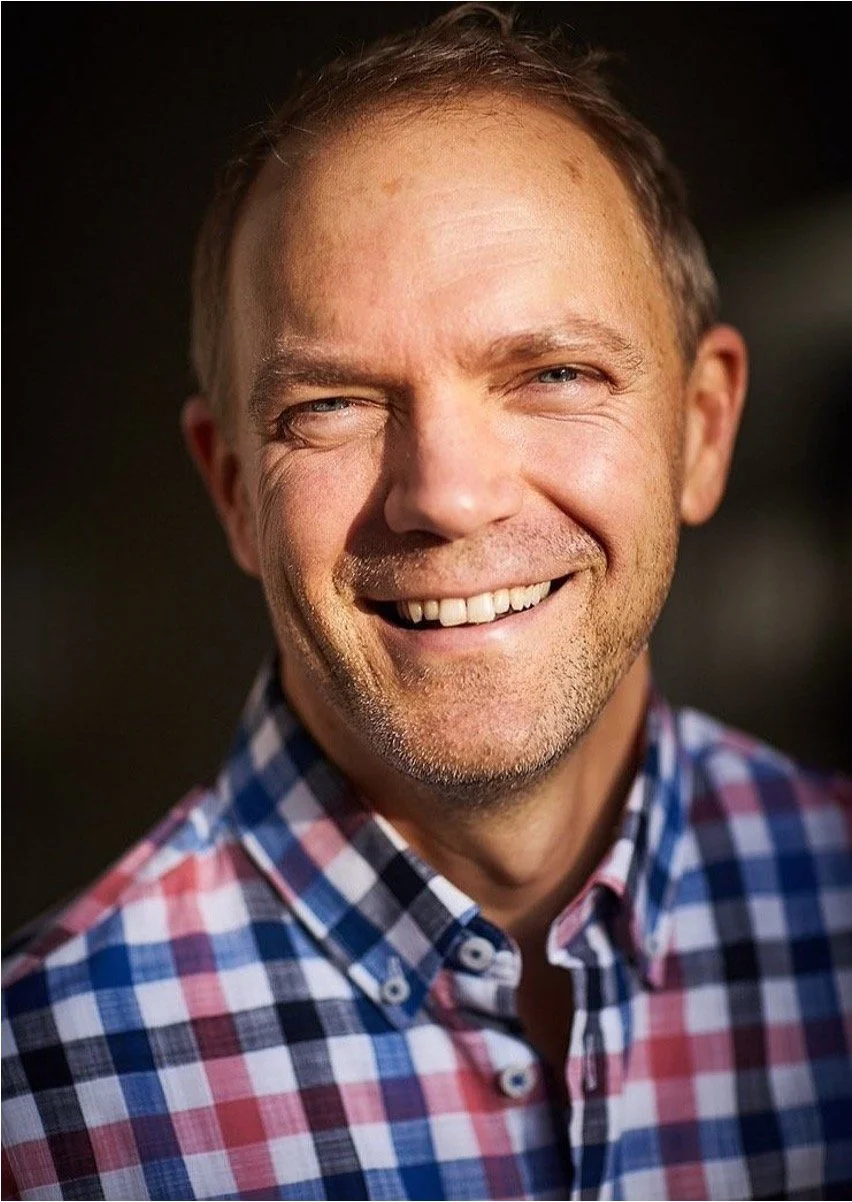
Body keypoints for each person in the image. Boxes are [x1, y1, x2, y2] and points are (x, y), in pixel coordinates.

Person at [3, 5, 850, 1199]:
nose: (446, 496)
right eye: (333, 405)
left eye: (554, 374)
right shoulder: (37, 1101)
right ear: (234, 489)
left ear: (703, 430)